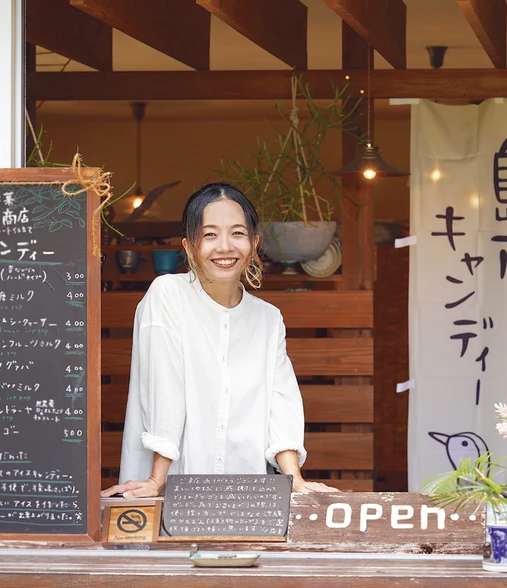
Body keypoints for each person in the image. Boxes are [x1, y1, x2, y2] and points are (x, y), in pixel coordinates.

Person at [101, 183, 338, 498]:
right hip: (171, 487)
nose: (225, 246)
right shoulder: (167, 294)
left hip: (244, 493)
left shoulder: (268, 318)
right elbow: (164, 390)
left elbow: (280, 404)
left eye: (237, 233)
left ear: (254, 244)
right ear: (188, 246)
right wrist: (157, 481)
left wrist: (294, 477)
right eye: (210, 234)